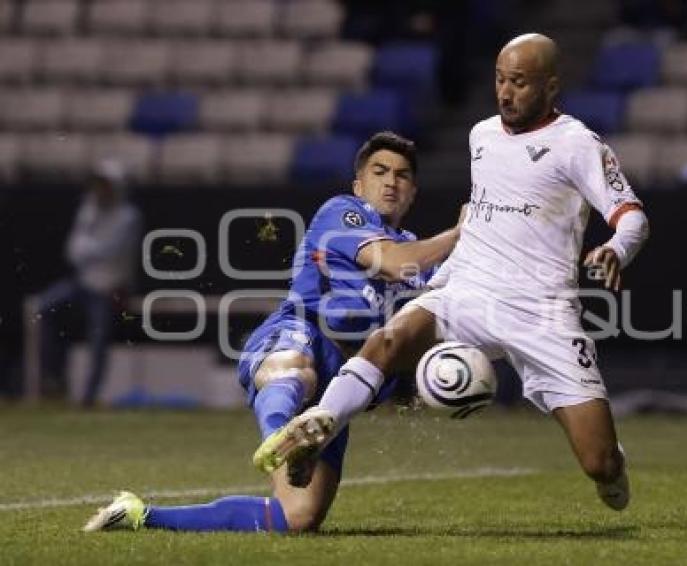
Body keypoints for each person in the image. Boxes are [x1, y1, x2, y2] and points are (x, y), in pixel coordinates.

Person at [266, 33, 650, 512]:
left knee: (599, 464)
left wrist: (616, 248)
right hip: (469, 290)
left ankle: (613, 465)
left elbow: (632, 215)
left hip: (541, 312)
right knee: (388, 341)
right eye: (500, 80)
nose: (506, 93)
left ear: (551, 87)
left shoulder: (577, 145)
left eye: (521, 83)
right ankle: (321, 424)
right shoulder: (482, 135)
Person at [83, 132, 464, 534]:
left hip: (341, 384)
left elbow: (442, 298)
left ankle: (140, 514)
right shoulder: (343, 212)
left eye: (402, 176)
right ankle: (283, 436)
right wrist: (457, 234)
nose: (391, 182)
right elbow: (391, 263)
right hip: (300, 331)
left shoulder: (421, 254)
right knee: (294, 370)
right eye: (380, 171)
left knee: (296, 519)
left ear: (413, 192)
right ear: (359, 184)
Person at [38, 160, 142, 406]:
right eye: (98, 185)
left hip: (109, 290)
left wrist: (87, 248)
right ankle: (54, 378)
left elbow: (109, 250)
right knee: (44, 309)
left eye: (105, 185)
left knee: (98, 341)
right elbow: (72, 250)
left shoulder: (128, 216)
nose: (100, 191)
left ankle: (88, 397)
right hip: (82, 283)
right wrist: (87, 249)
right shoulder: (88, 208)